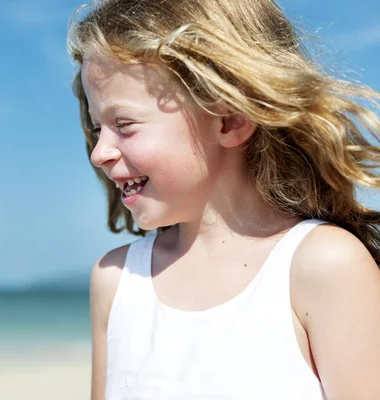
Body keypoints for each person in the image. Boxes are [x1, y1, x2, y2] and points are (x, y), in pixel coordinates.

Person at [66, 0, 380, 399]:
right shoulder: (115, 279)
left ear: (229, 120)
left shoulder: (324, 266)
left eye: (123, 125)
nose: (99, 152)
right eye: (97, 129)